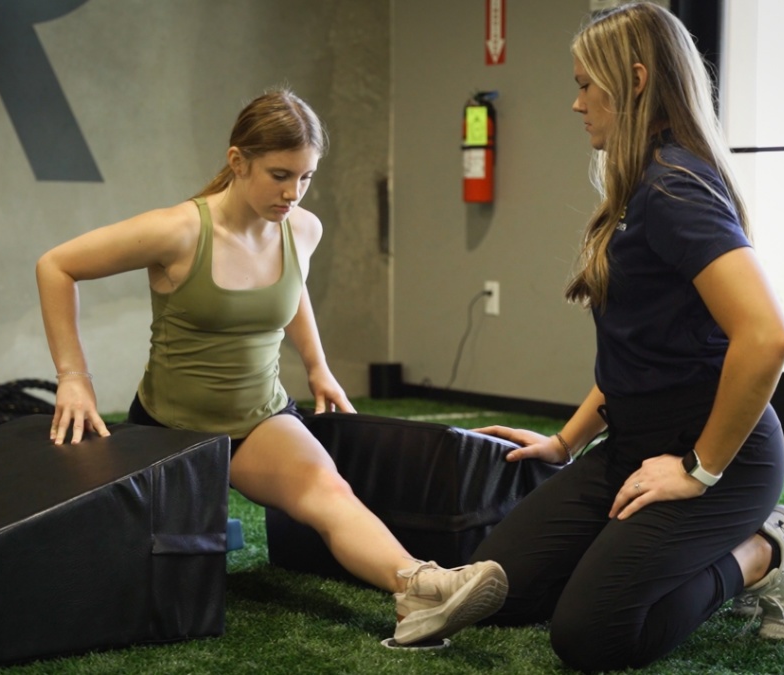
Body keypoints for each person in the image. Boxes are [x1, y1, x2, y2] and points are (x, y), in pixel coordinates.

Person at [35, 88, 507, 646]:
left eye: (306, 178)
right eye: (280, 175)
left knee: (331, 491)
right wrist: (74, 377)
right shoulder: (179, 230)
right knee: (123, 569)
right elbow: (56, 266)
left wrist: (318, 367)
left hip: (258, 417)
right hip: (169, 429)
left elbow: (292, 291)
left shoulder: (302, 228)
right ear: (238, 162)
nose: (293, 193)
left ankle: (420, 590)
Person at [468, 4, 784, 671]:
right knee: (500, 590)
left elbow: (766, 335)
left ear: (632, 81)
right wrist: (565, 440)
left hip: (721, 461)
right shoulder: (638, 188)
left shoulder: (674, 189)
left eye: (585, 85)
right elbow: (641, 353)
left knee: (590, 635)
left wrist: (699, 469)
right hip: (631, 446)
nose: (576, 104)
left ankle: (764, 551)